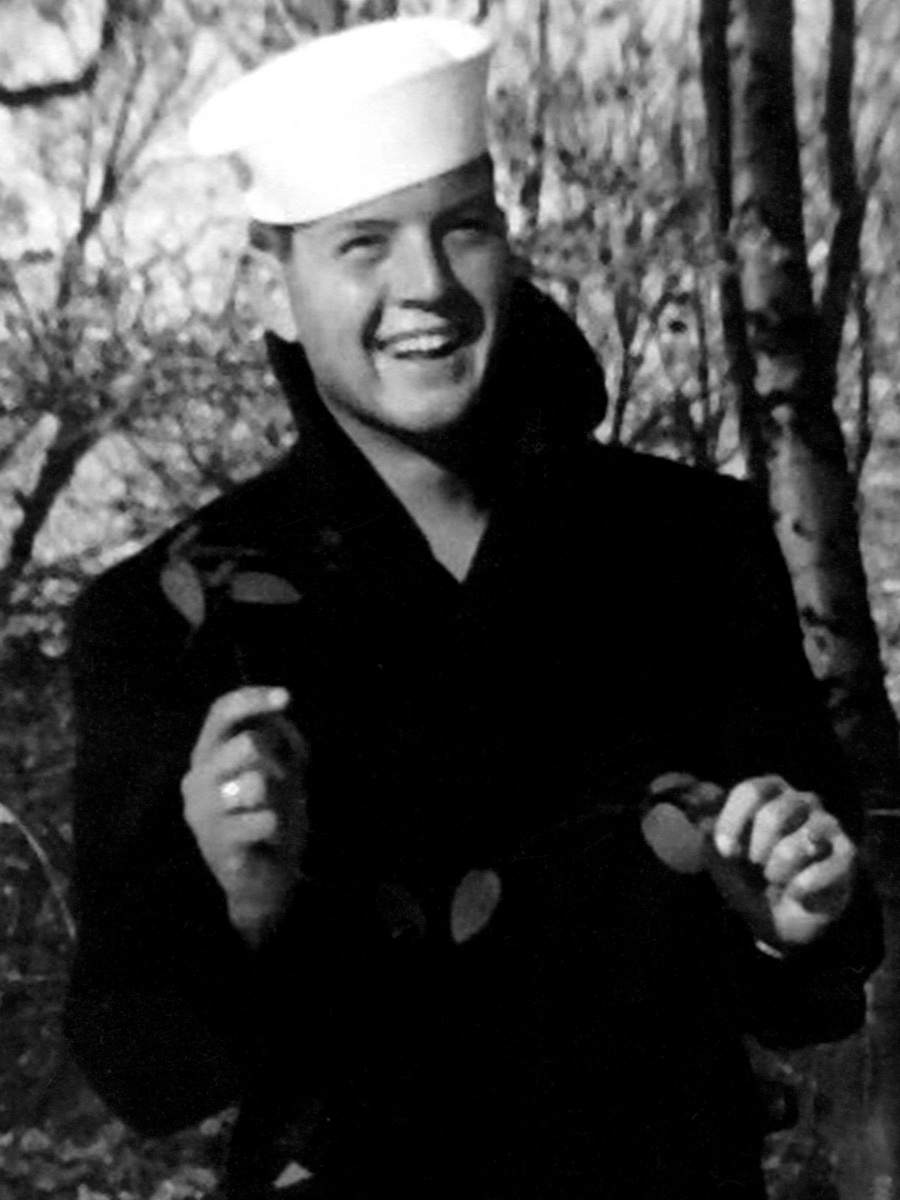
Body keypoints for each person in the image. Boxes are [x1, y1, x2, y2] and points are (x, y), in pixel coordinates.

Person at [64, 16, 881, 1200]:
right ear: (273, 286)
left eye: (464, 226)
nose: (428, 287)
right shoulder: (168, 615)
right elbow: (143, 1070)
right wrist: (242, 900)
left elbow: (820, 985)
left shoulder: (690, 543)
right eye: (363, 244)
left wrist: (793, 917)